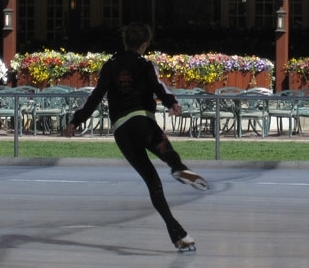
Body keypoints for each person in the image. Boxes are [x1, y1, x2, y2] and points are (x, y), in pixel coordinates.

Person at [64, 22, 208, 252]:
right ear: (144, 44)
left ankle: (178, 234)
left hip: (122, 132)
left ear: (125, 41)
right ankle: (177, 167)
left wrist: (76, 120)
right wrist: (171, 103)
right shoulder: (145, 65)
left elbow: (95, 97)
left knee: (152, 182)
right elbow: (158, 88)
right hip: (143, 122)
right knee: (166, 152)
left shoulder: (110, 65)